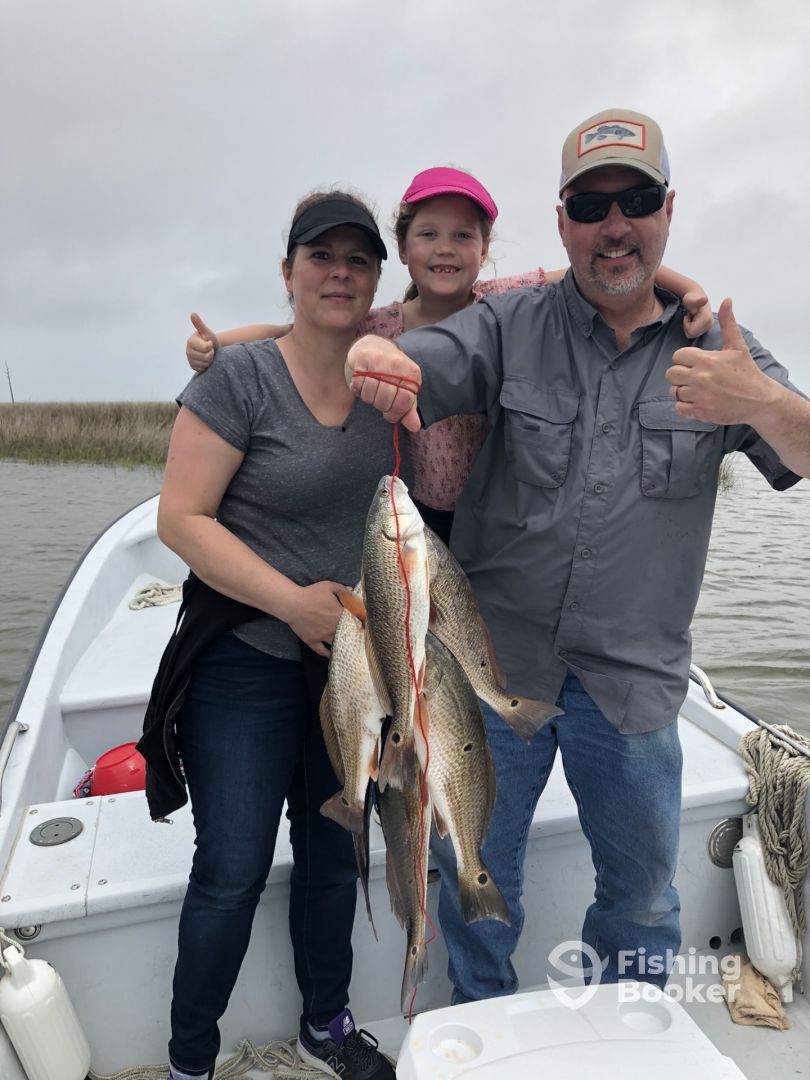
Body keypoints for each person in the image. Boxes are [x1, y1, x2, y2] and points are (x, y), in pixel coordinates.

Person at [344, 108, 810, 1005]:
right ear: (562, 222)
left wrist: (761, 402)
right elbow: (427, 355)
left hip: (632, 685)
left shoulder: (722, 353)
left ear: (668, 209)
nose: (615, 225)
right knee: (476, 874)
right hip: (493, 671)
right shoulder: (509, 323)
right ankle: (482, 1020)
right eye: (591, 206)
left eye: (636, 200)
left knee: (642, 901)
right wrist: (379, 357)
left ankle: (629, 1034)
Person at [138, 191, 398, 1080]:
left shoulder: (388, 380)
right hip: (245, 659)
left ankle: (325, 1023)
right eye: (321, 256)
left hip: (348, 667)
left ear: (377, 280)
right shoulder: (237, 379)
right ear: (288, 271)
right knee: (233, 868)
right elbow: (182, 518)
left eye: (358, 260)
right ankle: (190, 1060)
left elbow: (498, 289)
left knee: (334, 856)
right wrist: (293, 603)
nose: (339, 273)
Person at [185, 166, 712, 543]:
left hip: (501, 513)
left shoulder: (505, 301)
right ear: (403, 249)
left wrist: (686, 287)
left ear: (484, 251)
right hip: (416, 514)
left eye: (463, 236)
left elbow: (588, 272)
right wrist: (219, 342)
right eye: (428, 234)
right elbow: (287, 331)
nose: (445, 248)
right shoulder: (379, 327)